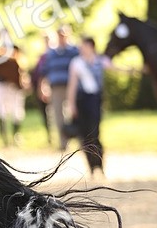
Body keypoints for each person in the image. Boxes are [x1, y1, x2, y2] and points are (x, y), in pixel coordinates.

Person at [66, 36, 111, 177]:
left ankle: (99, 164)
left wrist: (137, 69)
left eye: (84, 46)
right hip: (82, 100)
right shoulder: (76, 63)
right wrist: (71, 104)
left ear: (91, 46)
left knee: (95, 133)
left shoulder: (99, 60)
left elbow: (116, 67)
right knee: (84, 135)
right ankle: (91, 167)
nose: (81, 49)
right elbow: (72, 84)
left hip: (95, 100)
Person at [42, 25, 79, 150]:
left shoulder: (74, 51)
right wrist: (43, 86)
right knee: (58, 115)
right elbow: (45, 71)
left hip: (71, 87)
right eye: (59, 35)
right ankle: (63, 143)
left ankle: (81, 140)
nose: (61, 38)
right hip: (56, 87)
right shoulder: (51, 53)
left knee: (75, 113)